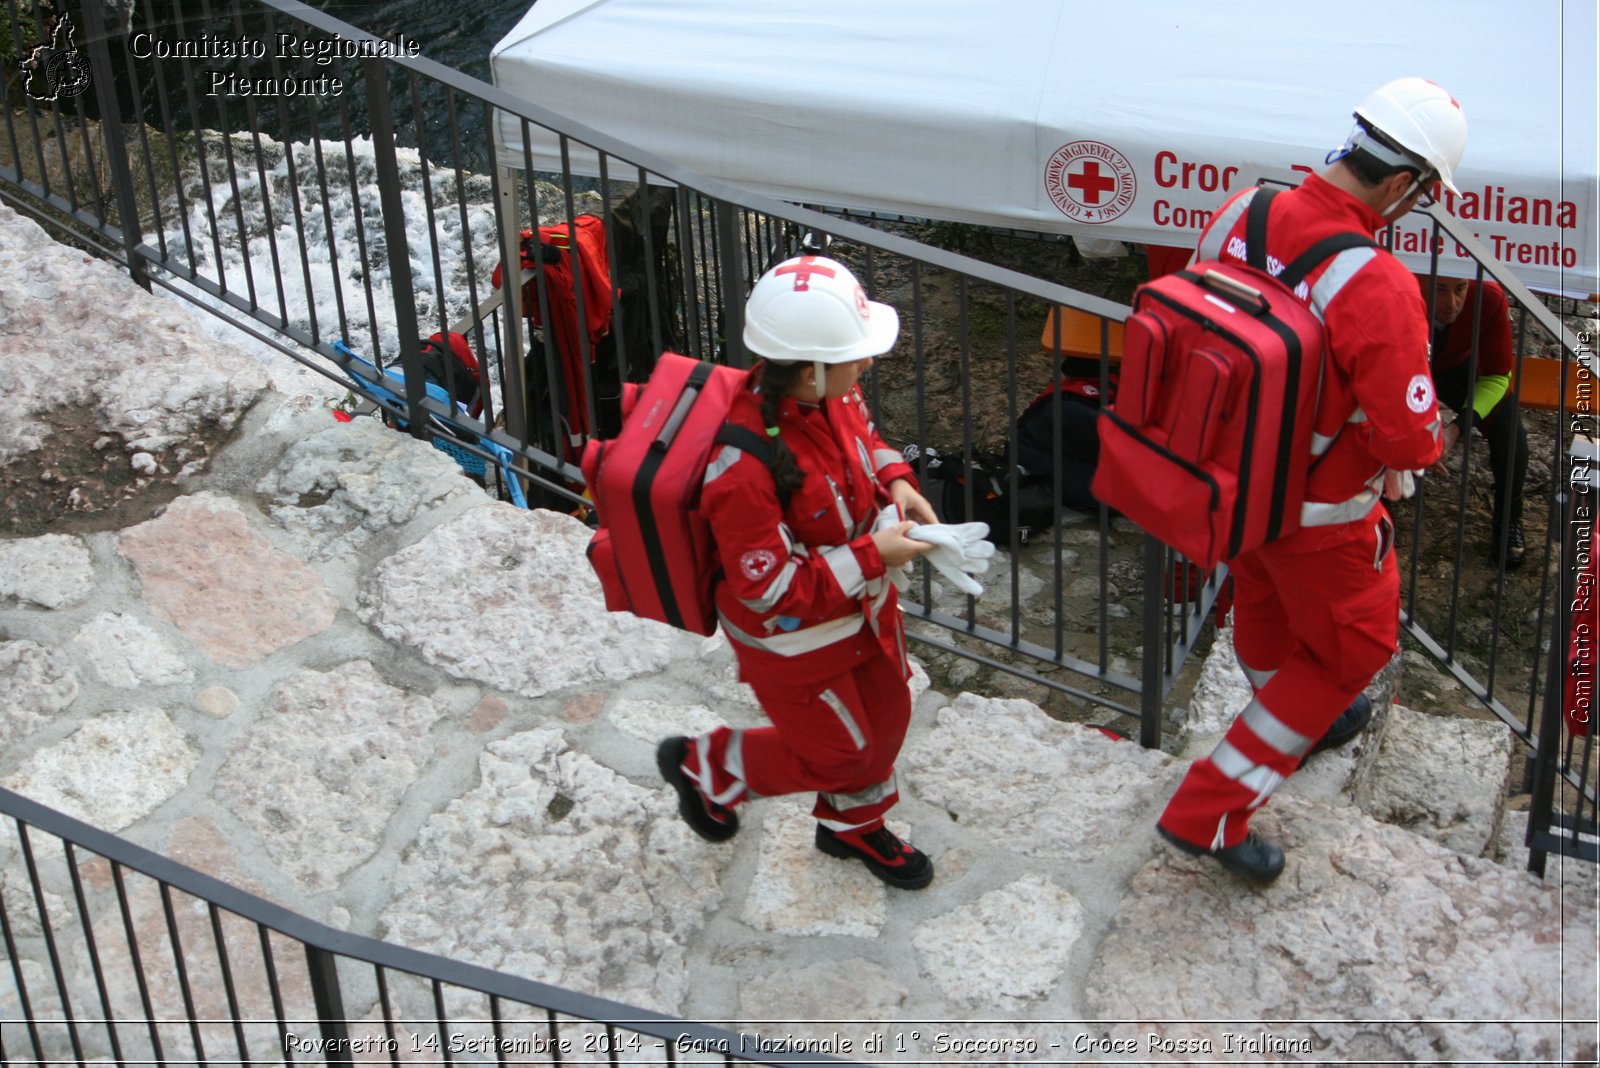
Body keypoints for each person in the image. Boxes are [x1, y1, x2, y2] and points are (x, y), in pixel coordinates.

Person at [1154, 77, 1466, 883]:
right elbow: (1411, 439)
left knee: (1256, 591)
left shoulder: (1239, 207)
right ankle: (1210, 810)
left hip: (1225, 479)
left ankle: (1299, 721)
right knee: (1351, 650)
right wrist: (1437, 427)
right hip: (1320, 511)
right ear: (1404, 187)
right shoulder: (1378, 283)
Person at [656, 254, 942, 890]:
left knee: (890, 712)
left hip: (861, 608)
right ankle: (707, 769)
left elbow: (865, 437)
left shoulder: (829, 390)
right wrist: (877, 555)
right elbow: (770, 589)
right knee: (838, 748)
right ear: (809, 371)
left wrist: (896, 479)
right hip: (796, 643)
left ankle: (851, 825)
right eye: (856, 355)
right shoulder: (740, 471)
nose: (867, 363)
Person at [1417, 274, 1530, 570]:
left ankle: (1509, 518)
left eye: (1460, 290)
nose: (1451, 302)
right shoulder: (1397, 290)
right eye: (1440, 290)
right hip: (1407, 365)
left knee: (1509, 428)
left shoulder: (1489, 297)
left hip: (1457, 369)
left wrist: (1457, 429)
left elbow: (1497, 376)